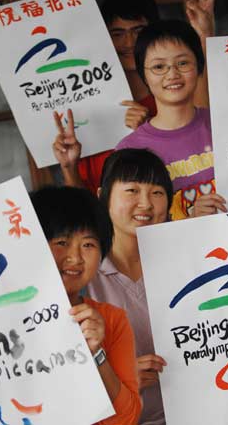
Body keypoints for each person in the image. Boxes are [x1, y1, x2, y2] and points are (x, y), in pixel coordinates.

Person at [73, 0, 218, 194]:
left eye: (138, 31)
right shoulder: (109, 131)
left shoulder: (201, 110)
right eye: (118, 34)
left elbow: (202, 119)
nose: (130, 42)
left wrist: (205, 36)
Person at [30, 186, 142, 425]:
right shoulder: (4, 318)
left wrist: (96, 353)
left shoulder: (112, 320)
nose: (76, 257)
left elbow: (127, 419)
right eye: (61, 242)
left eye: (88, 245)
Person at [87, 148, 173, 425]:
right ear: (104, 195)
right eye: (132, 190)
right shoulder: (83, 278)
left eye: (157, 192)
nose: (146, 204)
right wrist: (118, 376)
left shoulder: (187, 264)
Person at [115, 19, 227, 221]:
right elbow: (134, 227)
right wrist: (191, 221)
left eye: (182, 63)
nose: (172, 74)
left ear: (199, 66)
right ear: (144, 75)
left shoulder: (227, 123)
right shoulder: (129, 151)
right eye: (159, 67)